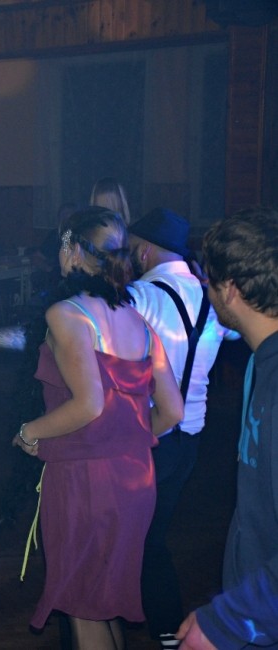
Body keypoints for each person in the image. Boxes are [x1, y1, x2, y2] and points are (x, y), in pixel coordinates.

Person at [14, 207, 182, 648]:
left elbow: (89, 404)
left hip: (85, 479)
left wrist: (30, 431)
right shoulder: (137, 319)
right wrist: (127, 438)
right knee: (103, 602)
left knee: (82, 606)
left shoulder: (66, 314)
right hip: (136, 478)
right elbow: (172, 411)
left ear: (72, 251)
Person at [125, 208, 241, 649]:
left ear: (144, 250)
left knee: (142, 540)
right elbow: (234, 335)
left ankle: (162, 629)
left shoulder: (139, 296)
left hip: (148, 436)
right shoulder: (212, 298)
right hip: (190, 439)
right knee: (150, 535)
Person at [175, 207, 278, 649]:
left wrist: (228, 621)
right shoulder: (261, 362)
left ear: (230, 289)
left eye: (209, 281)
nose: (206, 290)